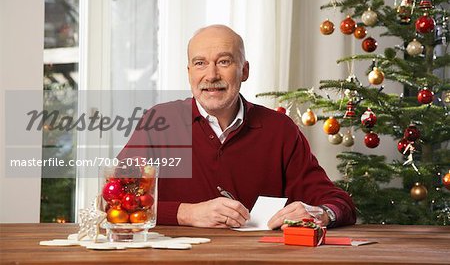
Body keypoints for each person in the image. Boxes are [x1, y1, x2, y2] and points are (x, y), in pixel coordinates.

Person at [117, 24, 356, 229]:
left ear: (244, 71)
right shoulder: (159, 122)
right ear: (189, 73)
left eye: (224, 61)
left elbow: (338, 203)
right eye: (200, 63)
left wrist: (321, 213)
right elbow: (114, 200)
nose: (211, 75)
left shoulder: (280, 130)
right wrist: (187, 214)